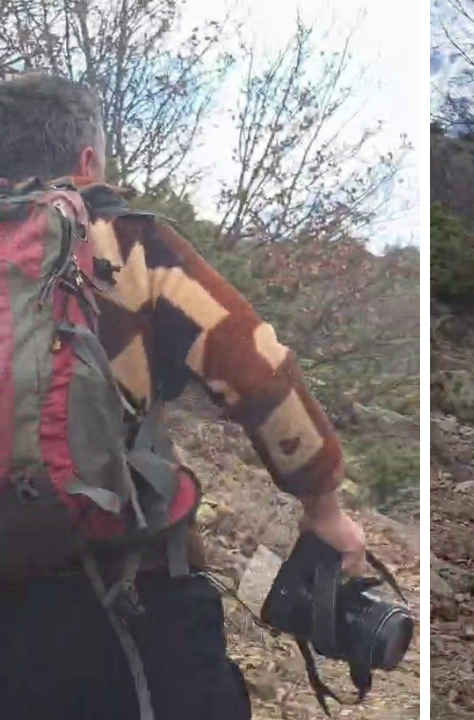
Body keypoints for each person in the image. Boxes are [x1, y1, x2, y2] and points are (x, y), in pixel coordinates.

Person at [0, 73, 368, 719]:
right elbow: (258, 369)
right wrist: (325, 506)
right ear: (87, 162)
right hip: (128, 588)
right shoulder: (129, 242)